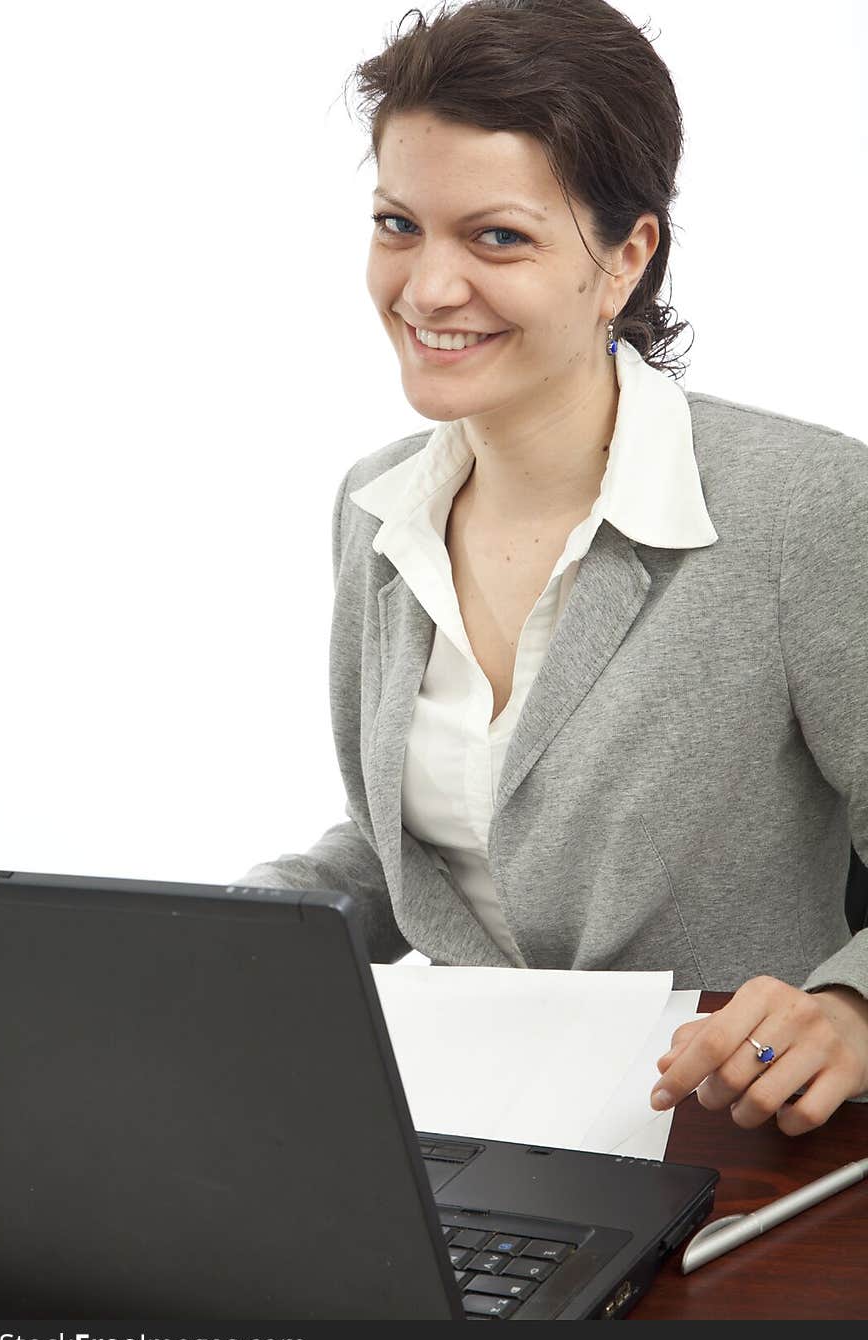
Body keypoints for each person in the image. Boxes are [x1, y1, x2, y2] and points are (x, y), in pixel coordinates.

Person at [235, 0, 868, 1134]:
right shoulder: (378, 509)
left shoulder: (801, 510)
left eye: (498, 238)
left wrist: (850, 1005)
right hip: (459, 1134)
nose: (426, 289)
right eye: (397, 224)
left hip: (727, 1148)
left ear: (626, 257)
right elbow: (422, 851)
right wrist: (226, 935)